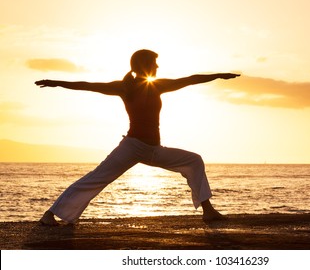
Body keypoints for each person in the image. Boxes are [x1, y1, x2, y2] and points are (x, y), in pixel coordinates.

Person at [35, 49, 240, 225]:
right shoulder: (124, 87)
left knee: (194, 160)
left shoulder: (158, 85)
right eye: (154, 63)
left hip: (154, 150)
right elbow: (87, 84)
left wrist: (218, 75)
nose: (157, 66)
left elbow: (189, 80)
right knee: (96, 178)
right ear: (144, 65)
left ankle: (208, 211)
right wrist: (56, 83)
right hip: (131, 147)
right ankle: (50, 215)